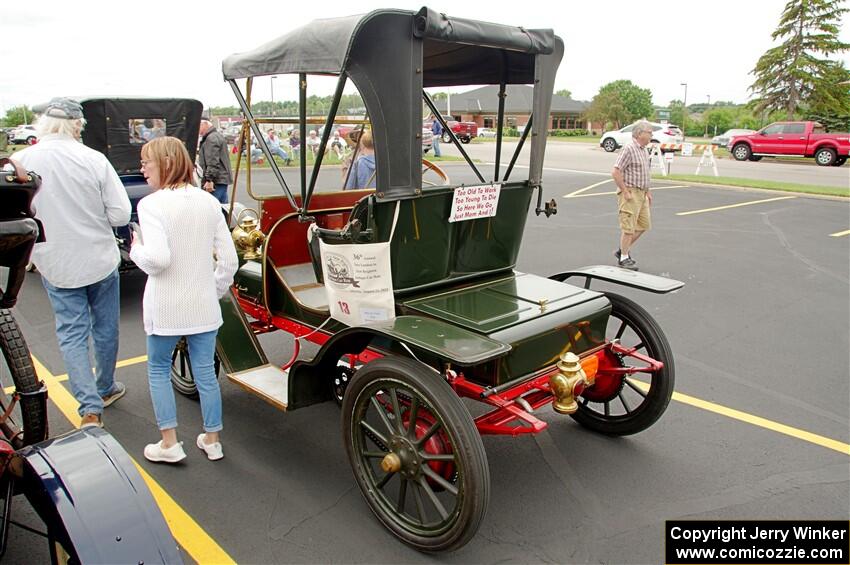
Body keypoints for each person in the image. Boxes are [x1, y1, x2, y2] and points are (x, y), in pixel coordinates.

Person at [13, 97, 130, 428]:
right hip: (98, 257)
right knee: (105, 327)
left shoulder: (22, 161)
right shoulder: (93, 159)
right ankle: (105, 386)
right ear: (77, 125)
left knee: (72, 334)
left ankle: (89, 407)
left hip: (56, 262)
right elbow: (120, 214)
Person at [130, 136, 238, 463]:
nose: (142, 169)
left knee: (158, 369)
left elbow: (159, 260)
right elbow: (229, 261)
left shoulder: (151, 204)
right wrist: (212, 290)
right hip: (203, 306)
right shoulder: (208, 201)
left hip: (166, 306)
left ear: (163, 163)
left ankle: (169, 443)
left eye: (146, 162)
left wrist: (135, 249)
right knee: (205, 373)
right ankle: (213, 439)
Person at [611, 120, 653, 271]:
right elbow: (616, 171)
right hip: (631, 192)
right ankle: (624, 257)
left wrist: (648, 191)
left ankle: (622, 249)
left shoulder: (643, 150)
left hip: (642, 193)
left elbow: (644, 172)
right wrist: (625, 191)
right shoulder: (629, 149)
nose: (651, 135)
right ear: (639, 133)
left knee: (643, 225)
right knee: (628, 227)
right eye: (649, 132)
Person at [198, 118, 232, 204]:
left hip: (216, 181)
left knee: (213, 207)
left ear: (205, 124)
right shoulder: (216, 136)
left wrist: (209, 180)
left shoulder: (211, 138)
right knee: (223, 208)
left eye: (199, 126)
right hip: (221, 179)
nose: (197, 130)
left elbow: (213, 161)